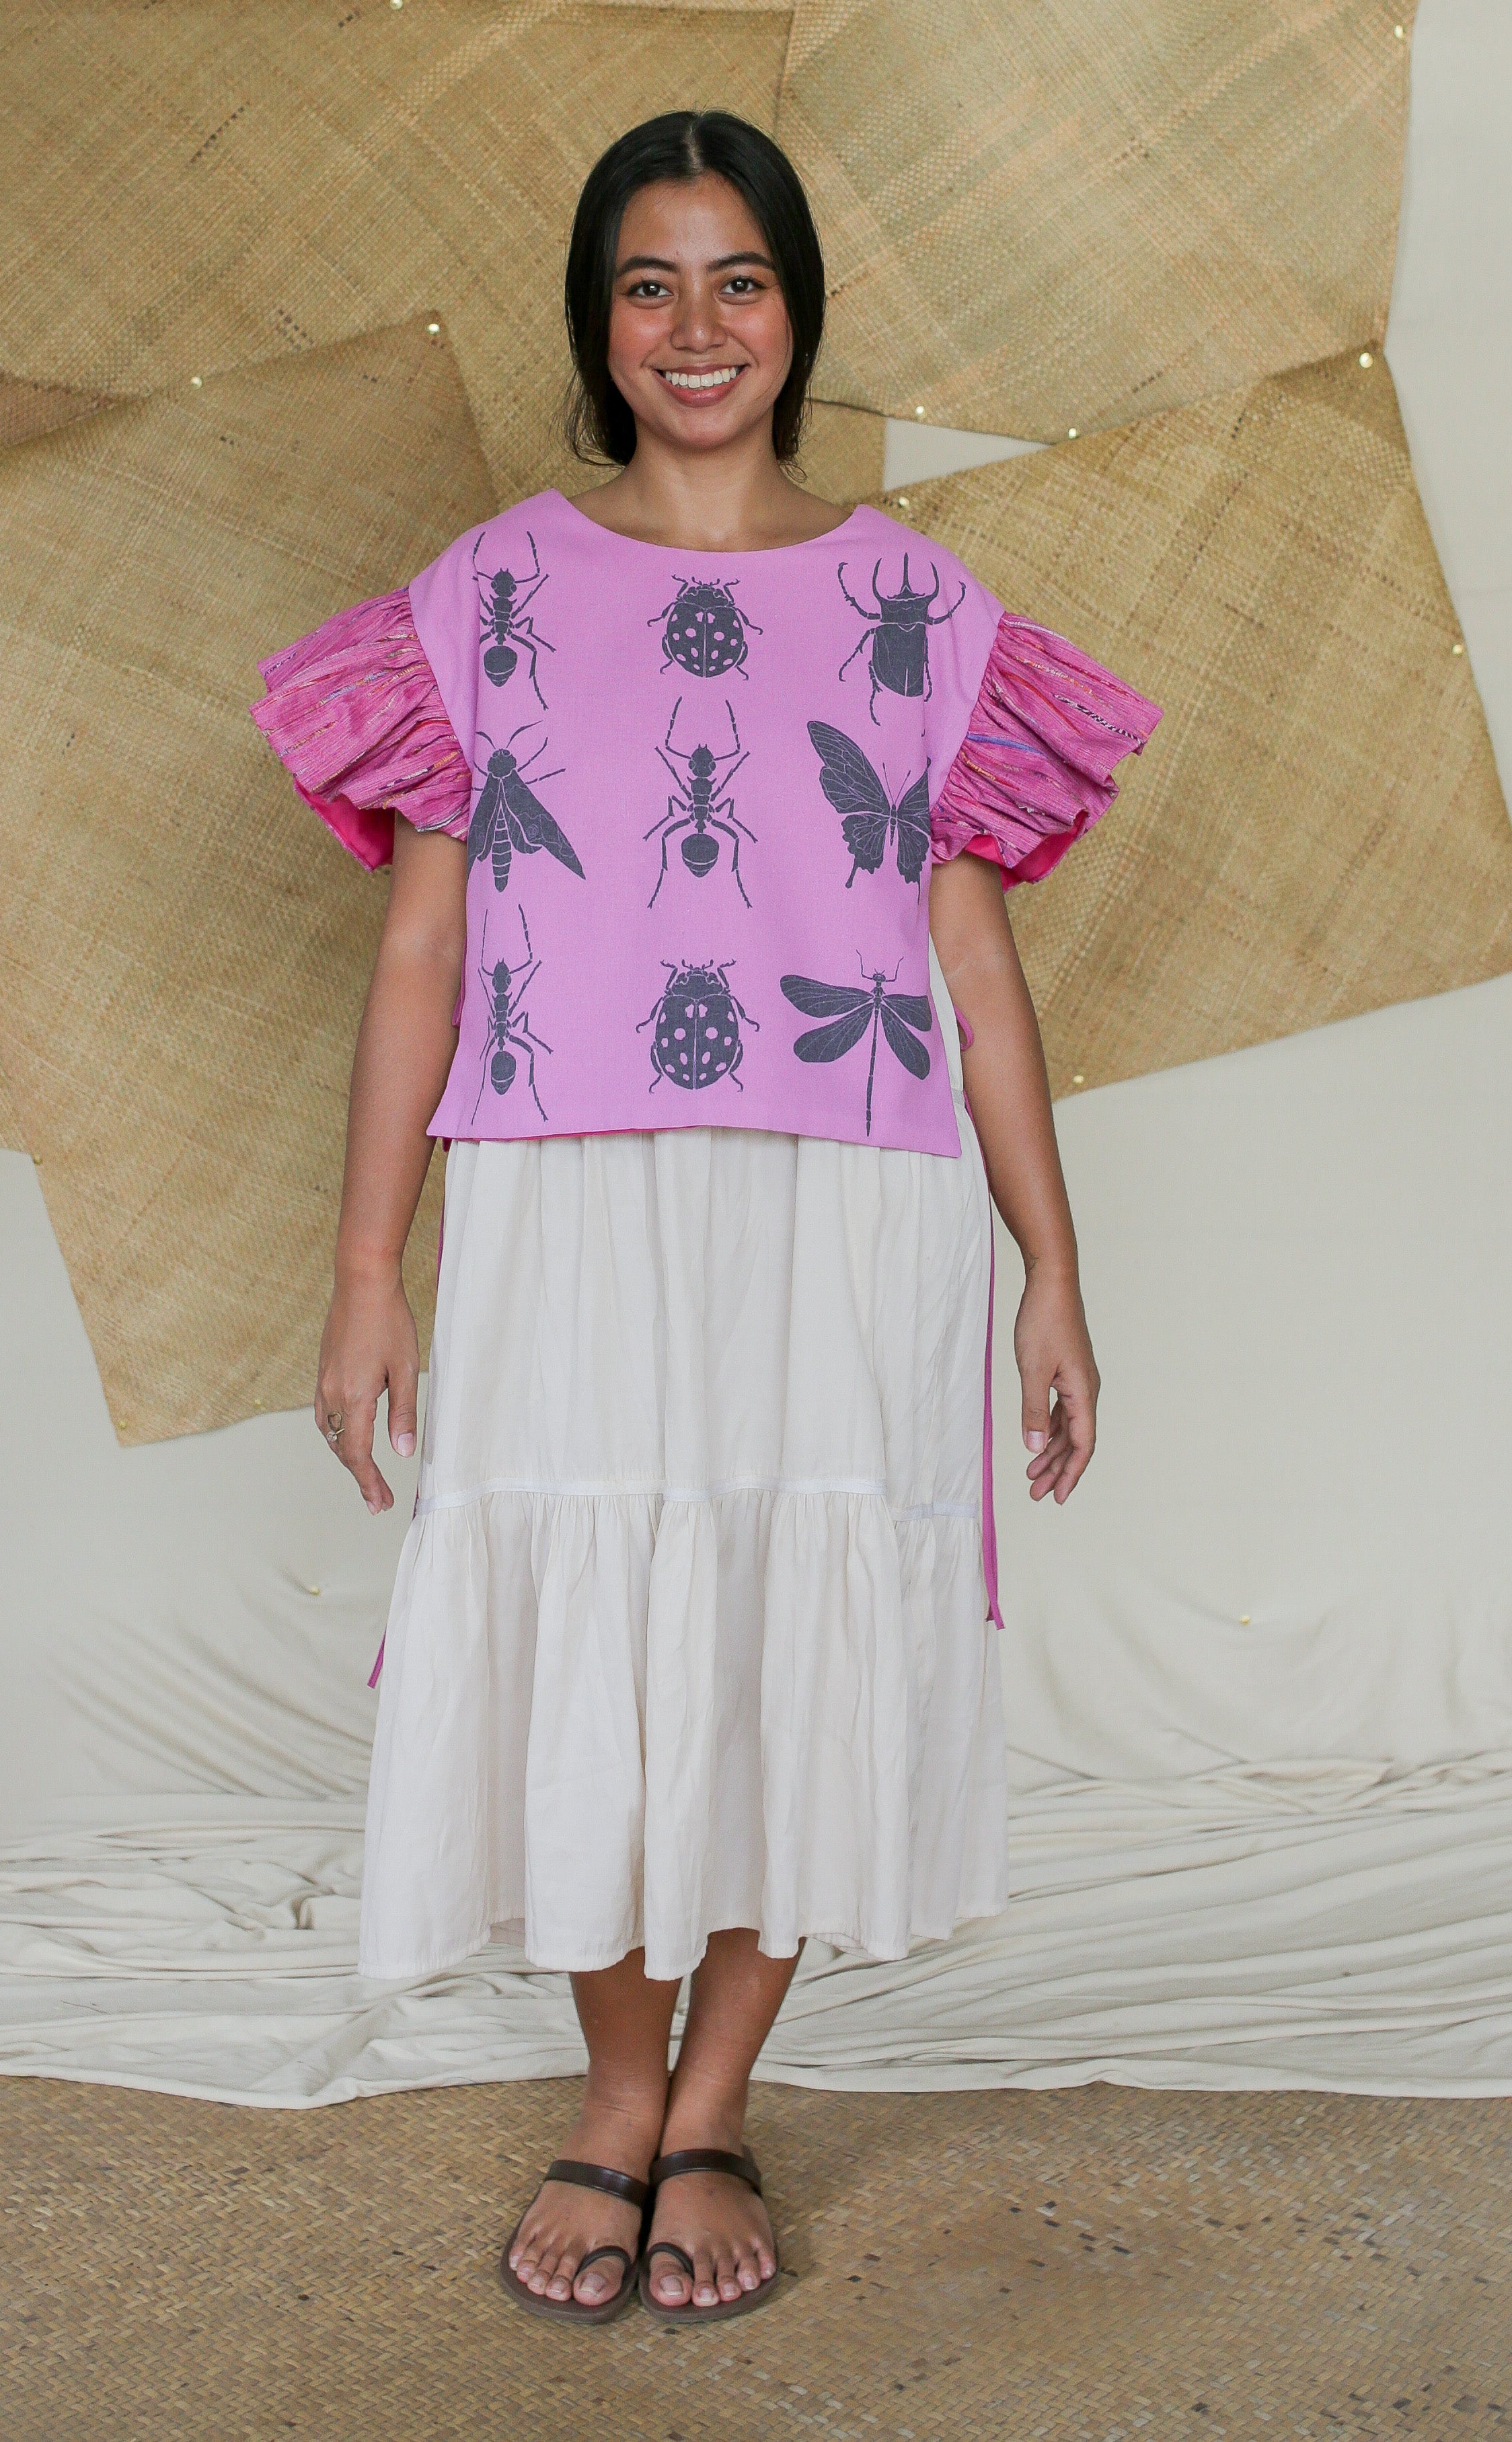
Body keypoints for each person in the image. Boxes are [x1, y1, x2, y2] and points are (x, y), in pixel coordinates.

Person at [252, 112, 1158, 2324]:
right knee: (591, 1619)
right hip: (568, 1189)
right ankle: (608, 2099)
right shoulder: (484, 597)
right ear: (598, 323)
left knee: (780, 1631)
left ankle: (717, 2101)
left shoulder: (919, 608)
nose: (695, 326)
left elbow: (972, 962)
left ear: (796, 311)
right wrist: (367, 1269)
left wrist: (1052, 1267)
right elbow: (422, 952)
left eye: (737, 279)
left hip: (846, 1197)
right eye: (648, 283)